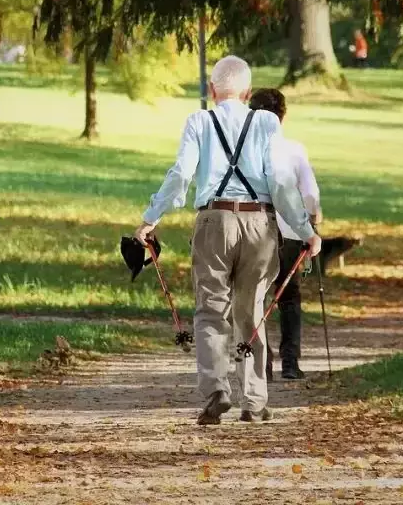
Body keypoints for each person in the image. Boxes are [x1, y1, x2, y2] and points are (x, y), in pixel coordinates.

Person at [134, 55, 321, 426]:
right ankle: (254, 401)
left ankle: (217, 390)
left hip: (213, 220)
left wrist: (150, 218)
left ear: (212, 89)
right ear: (248, 92)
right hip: (259, 222)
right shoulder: (266, 123)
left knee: (209, 309)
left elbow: (181, 175)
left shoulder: (199, 121)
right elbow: (281, 184)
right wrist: (305, 231)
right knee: (251, 311)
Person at [248, 88, 322, 382]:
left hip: (254, 231)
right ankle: (290, 363)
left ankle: (261, 365)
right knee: (289, 296)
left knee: (257, 296)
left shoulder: (244, 150)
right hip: (291, 231)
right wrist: (313, 224)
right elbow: (311, 194)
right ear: (283, 116)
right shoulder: (294, 149)